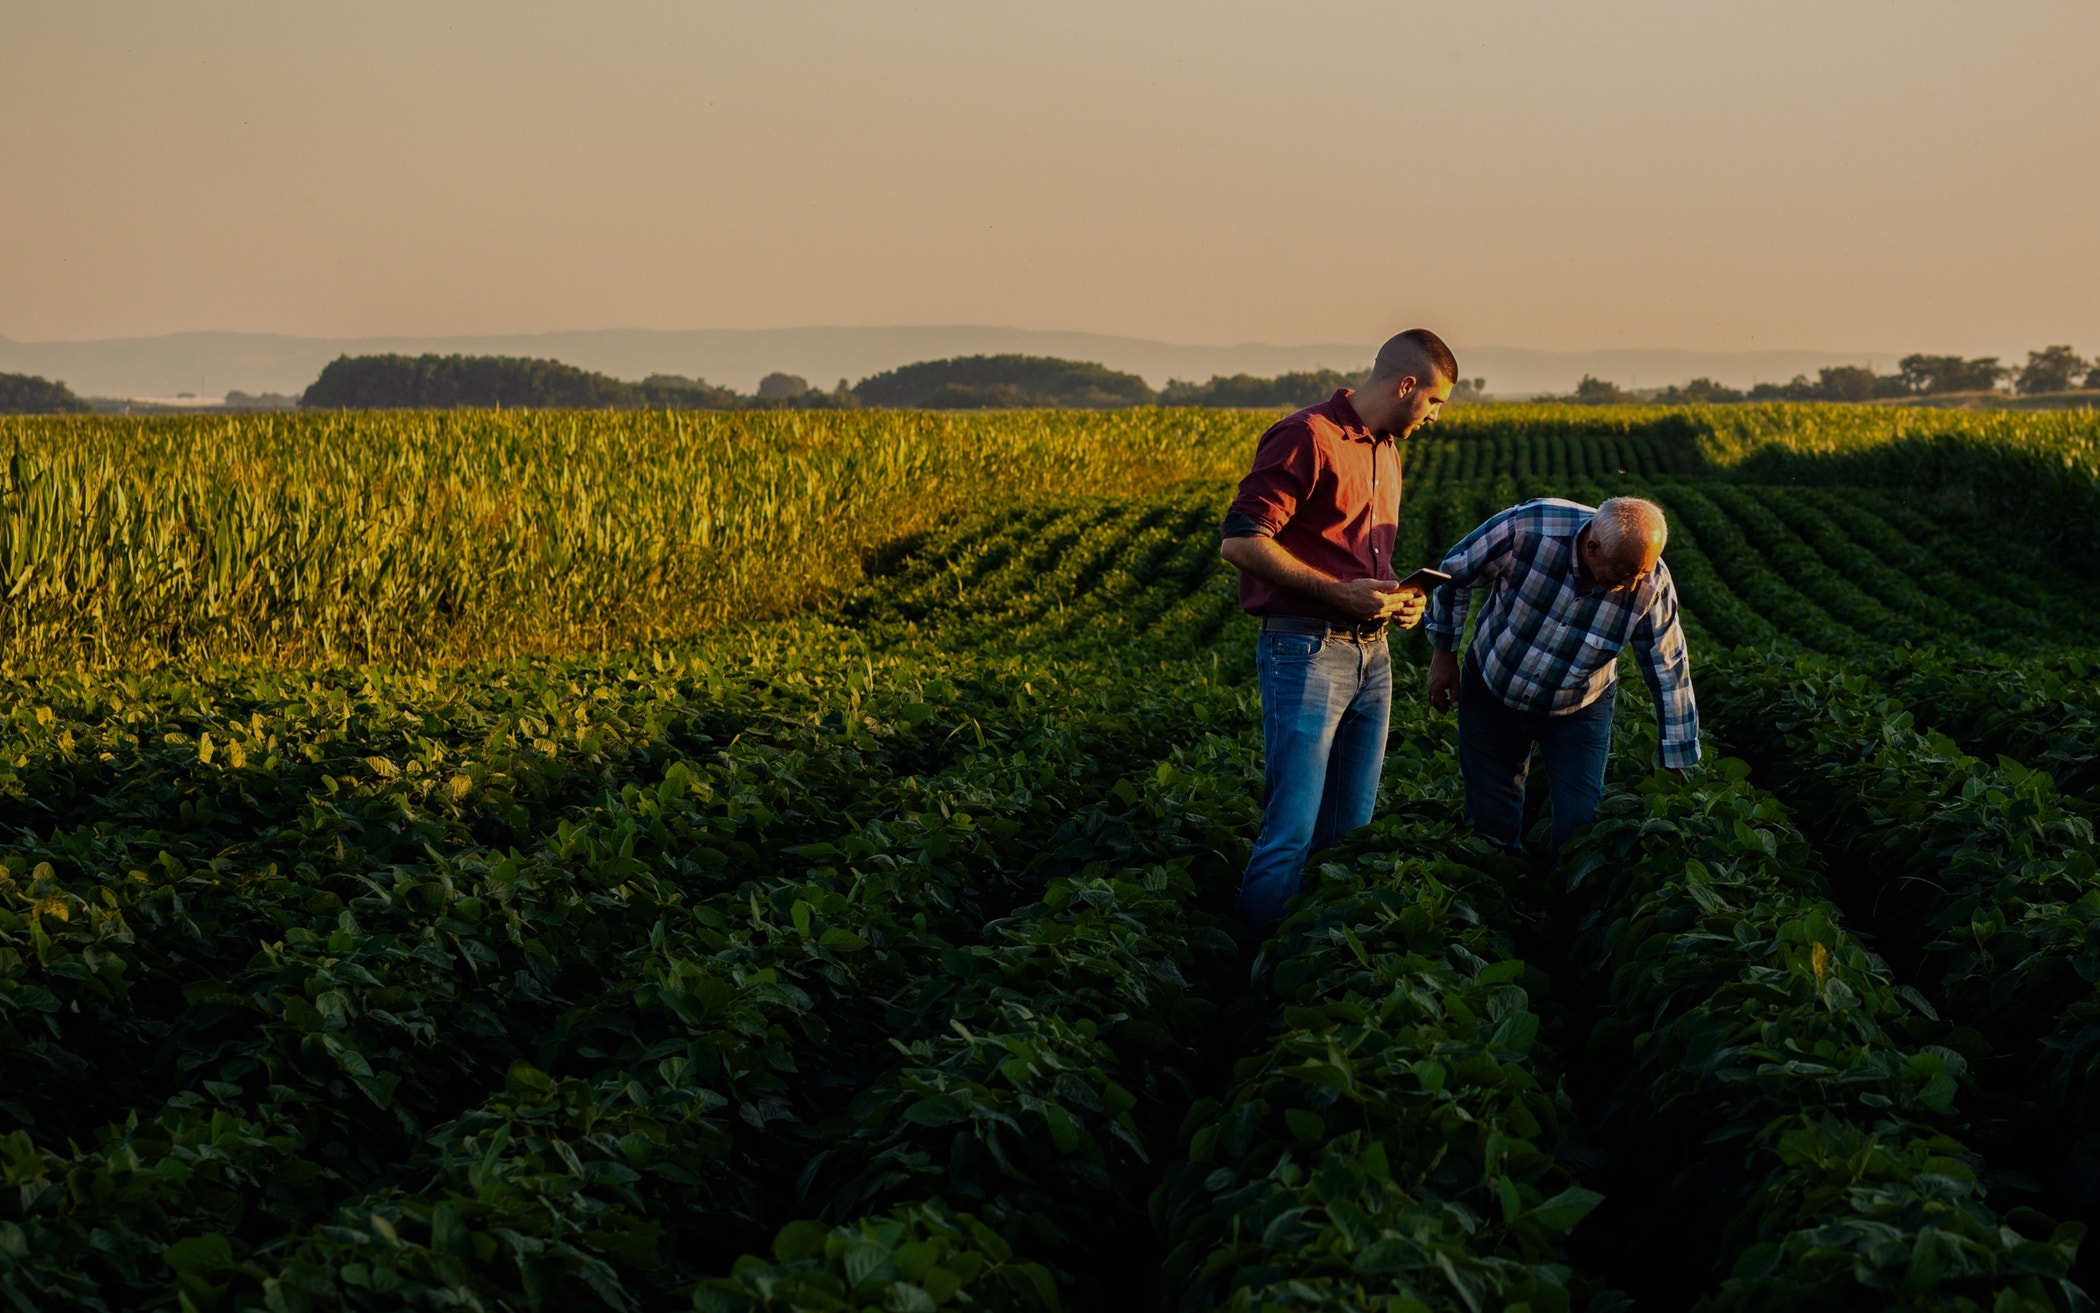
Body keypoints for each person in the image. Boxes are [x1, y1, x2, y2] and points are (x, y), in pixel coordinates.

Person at [1218, 329, 1457, 928]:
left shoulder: (1385, 451)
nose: (1432, 417)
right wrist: (1337, 594)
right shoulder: (1307, 436)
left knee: (1350, 834)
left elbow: (1356, 565)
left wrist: (1402, 597)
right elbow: (1240, 542)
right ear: (1406, 385)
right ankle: (1255, 990)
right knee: (1291, 831)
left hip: (1372, 657)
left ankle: (1317, 964)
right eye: (1433, 402)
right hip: (1305, 649)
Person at [1423, 496, 1697, 853]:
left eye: (1641, 572)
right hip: (1494, 688)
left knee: (1581, 822)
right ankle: (1502, 892)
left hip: (1579, 706)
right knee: (1491, 822)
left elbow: (1668, 666)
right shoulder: (1529, 528)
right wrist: (1444, 654)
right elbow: (1453, 574)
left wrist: (1675, 758)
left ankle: (1566, 900)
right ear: (1593, 546)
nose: (1632, 584)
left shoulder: (1651, 582)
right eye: (1622, 572)